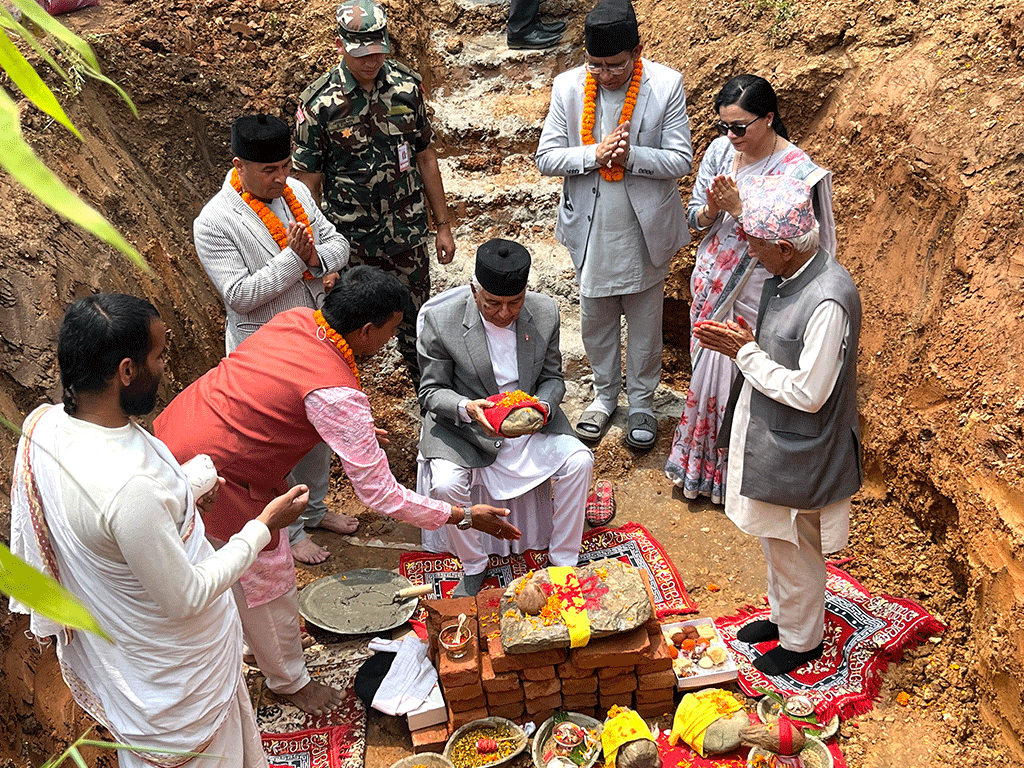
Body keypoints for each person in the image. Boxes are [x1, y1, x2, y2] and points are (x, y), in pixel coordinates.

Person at [154, 267, 518, 713]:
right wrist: (462, 516)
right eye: (388, 331)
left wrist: (351, 431)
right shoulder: (336, 395)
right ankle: (288, 680)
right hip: (219, 479)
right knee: (267, 578)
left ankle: (260, 643)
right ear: (367, 331)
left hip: (175, 434)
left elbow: (276, 393)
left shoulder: (297, 320)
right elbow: (380, 496)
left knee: (227, 565)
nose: (387, 341)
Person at [8, 294, 309, 768]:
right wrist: (262, 527)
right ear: (126, 371)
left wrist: (187, 491)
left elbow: (115, 527)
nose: (166, 367)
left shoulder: (42, 429)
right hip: (177, 690)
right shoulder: (130, 488)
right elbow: (186, 596)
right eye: (160, 355)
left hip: (143, 676)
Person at [695, 175, 861, 677]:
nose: (750, 251)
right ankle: (783, 618)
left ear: (786, 247)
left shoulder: (828, 299)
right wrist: (752, 340)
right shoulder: (794, 274)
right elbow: (788, 354)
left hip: (804, 442)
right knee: (778, 539)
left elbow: (809, 394)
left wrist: (744, 353)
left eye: (756, 244)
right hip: (781, 437)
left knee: (796, 545)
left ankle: (802, 640)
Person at [664, 74, 836, 504]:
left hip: (761, 287)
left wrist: (742, 209)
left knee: (747, 373)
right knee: (706, 374)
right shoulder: (721, 152)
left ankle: (740, 478)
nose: (730, 136)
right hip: (711, 280)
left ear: (769, 118)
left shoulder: (797, 170)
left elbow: (800, 241)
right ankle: (699, 470)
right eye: (724, 126)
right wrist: (711, 209)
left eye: (740, 127)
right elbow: (693, 220)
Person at [195, 113, 353, 565]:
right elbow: (240, 296)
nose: (281, 178)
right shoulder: (214, 222)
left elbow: (336, 243)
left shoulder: (297, 192)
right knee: (278, 443)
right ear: (239, 165)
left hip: (314, 336)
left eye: (286, 165)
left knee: (319, 432)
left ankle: (317, 508)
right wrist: (293, 260)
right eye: (270, 170)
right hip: (262, 352)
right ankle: (292, 528)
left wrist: (316, 259)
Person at [536, 0, 692, 451]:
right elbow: (546, 157)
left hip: (644, 229)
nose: (604, 76)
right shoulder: (568, 87)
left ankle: (642, 402)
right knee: (597, 321)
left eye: (615, 66)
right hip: (590, 228)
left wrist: (632, 157)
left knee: (645, 323)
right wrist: (593, 155)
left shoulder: (665, 85)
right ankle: (604, 397)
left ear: (637, 52)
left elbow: (680, 159)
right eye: (595, 65)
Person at [417, 239, 593, 597]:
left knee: (580, 461)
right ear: (474, 290)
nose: (504, 313)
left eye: (515, 302)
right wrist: (468, 409)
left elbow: (553, 379)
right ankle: (473, 565)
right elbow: (431, 392)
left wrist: (542, 408)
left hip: (529, 425)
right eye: (492, 303)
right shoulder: (442, 320)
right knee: (445, 486)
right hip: (467, 429)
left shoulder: (545, 312)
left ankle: (563, 561)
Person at [292, 0, 455, 387]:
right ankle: (346, 409)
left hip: (406, 234)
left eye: (378, 50)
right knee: (345, 338)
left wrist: (443, 225)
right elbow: (306, 184)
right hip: (349, 243)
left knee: (417, 326)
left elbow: (426, 158)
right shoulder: (319, 104)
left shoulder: (406, 88)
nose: (371, 61)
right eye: (361, 53)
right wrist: (317, 258)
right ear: (340, 46)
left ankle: (431, 406)